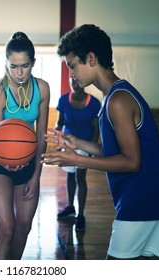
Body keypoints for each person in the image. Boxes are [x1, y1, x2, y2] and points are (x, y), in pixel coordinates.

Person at [42, 24, 159, 259]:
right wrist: (79, 144)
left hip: (144, 200)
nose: (71, 74)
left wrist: (77, 160)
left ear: (91, 58)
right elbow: (115, 151)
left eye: (72, 66)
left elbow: (131, 162)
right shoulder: (112, 95)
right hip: (148, 197)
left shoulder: (118, 100)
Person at [0, 32, 50, 259]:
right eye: (13, 66)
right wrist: (8, 162)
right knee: (7, 230)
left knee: (24, 227)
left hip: (29, 157)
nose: (19, 73)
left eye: (25, 66)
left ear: (33, 62)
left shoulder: (42, 88)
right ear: (6, 63)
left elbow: (41, 135)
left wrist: (35, 176)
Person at [55, 76, 101, 231]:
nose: (76, 83)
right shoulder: (63, 100)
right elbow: (60, 122)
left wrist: (92, 148)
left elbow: (96, 128)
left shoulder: (94, 103)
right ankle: (70, 207)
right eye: (72, 81)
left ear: (84, 82)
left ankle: (81, 215)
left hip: (85, 144)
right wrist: (57, 136)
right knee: (70, 176)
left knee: (80, 177)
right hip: (68, 144)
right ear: (69, 83)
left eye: (78, 80)